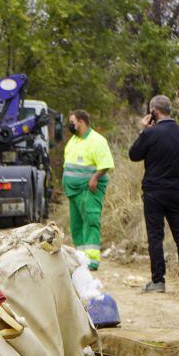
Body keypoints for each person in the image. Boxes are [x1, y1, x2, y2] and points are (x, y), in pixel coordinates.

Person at [129, 95, 179, 293]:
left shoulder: (151, 134)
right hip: (177, 193)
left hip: (154, 192)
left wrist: (143, 131)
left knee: (155, 236)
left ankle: (158, 281)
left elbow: (134, 155)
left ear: (154, 111)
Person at [62, 110, 114, 270]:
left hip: (89, 188)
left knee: (90, 221)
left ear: (82, 122)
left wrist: (94, 178)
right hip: (73, 190)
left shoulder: (97, 140)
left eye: (73, 122)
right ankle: (80, 258)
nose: (71, 125)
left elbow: (106, 164)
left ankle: (92, 260)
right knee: (76, 225)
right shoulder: (73, 140)